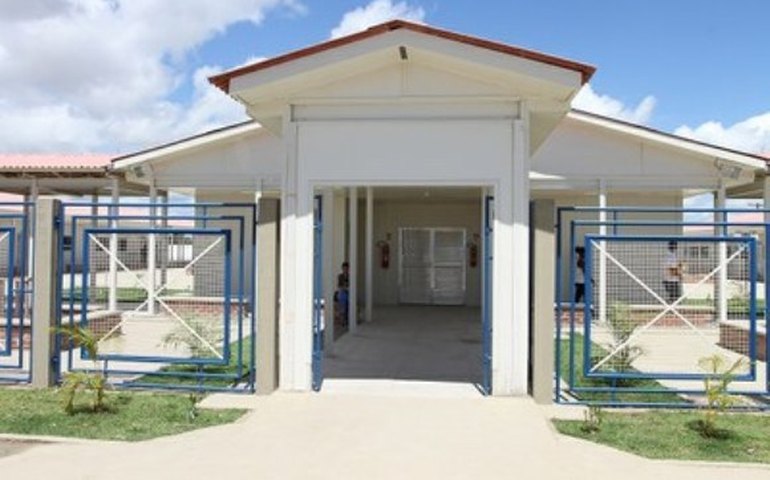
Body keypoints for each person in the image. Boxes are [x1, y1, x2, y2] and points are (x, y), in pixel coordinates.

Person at [334, 262, 350, 328]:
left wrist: (346, 287)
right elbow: (339, 286)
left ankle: (345, 319)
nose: (345, 270)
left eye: (346, 268)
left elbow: (350, 286)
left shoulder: (350, 276)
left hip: (348, 292)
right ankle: (343, 319)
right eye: (344, 268)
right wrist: (344, 287)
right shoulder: (340, 276)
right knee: (342, 296)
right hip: (343, 292)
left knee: (347, 298)